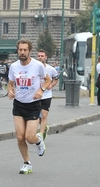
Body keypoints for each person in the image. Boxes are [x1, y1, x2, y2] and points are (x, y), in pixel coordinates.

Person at [8, 38, 51, 174]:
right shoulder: (14, 66)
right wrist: (10, 90)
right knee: (20, 137)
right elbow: (10, 83)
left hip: (33, 105)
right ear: (17, 51)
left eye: (25, 50)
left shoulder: (38, 65)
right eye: (20, 50)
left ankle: (39, 141)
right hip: (19, 105)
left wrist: (41, 90)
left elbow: (48, 80)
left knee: (29, 137)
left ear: (29, 51)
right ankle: (27, 163)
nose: (22, 52)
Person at [37, 49, 59, 140]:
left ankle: (41, 135)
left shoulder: (50, 69)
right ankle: (44, 127)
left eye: (42, 56)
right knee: (37, 117)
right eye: (39, 56)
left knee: (44, 115)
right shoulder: (34, 68)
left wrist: (51, 85)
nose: (40, 57)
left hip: (46, 95)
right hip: (36, 95)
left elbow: (56, 78)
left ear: (46, 57)